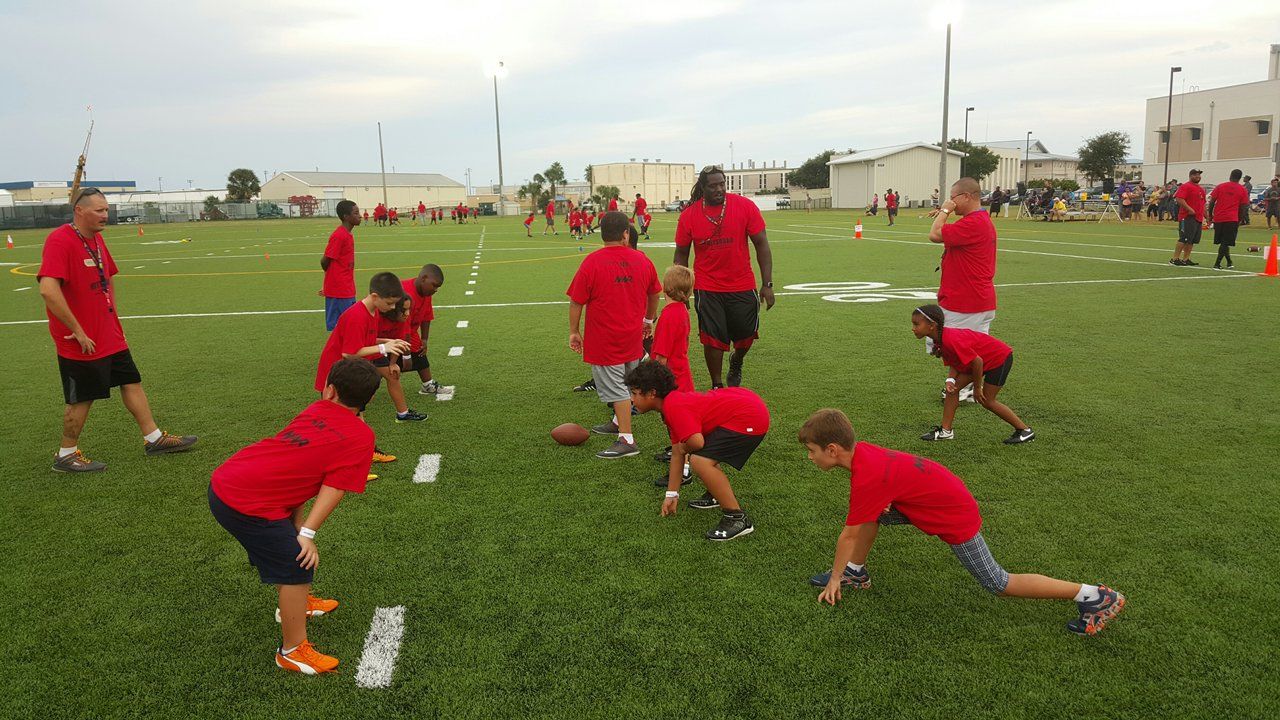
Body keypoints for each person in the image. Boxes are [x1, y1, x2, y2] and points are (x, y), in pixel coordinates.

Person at [798, 408, 1125, 636]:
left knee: (998, 582)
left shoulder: (866, 477)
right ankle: (858, 572)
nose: (810, 458)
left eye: (812, 451)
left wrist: (834, 579)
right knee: (873, 515)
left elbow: (848, 536)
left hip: (952, 513)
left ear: (832, 449)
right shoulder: (863, 454)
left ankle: (1094, 596)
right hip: (933, 501)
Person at [209, 357, 381, 675]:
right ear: (370, 399)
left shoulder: (316, 409)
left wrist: (298, 524)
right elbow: (334, 487)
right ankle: (292, 651)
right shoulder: (361, 436)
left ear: (329, 390)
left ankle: (297, 602)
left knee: (291, 553)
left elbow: (299, 471)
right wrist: (307, 534)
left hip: (231, 479)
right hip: (244, 500)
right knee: (296, 564)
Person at [38, 188, 198, 473]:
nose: (105, 215)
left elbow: (107, 278)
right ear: (79, 211)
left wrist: (113, 320)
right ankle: (66, 453)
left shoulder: (97, 240)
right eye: (99, 210)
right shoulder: (60, 240)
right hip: (79, 339)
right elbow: (48, 290)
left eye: (106, 209)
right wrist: (78, 329)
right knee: (82, 395)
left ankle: (154, 438)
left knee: (130, 381)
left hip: (108, 333)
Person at [626, 360, 769, 542]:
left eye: (634, 393)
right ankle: (715, 495)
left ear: (652, 393)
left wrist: (686, 448)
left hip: (749, 416)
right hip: (746, 407)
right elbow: (678, 453)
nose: (631, 399)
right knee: (698, 456)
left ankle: (737, 518)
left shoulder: (673, 406)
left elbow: (695, 442)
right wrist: (671, 495)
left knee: (699, 460)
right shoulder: (671, 406)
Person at [567, 211, 661, 459]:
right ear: (625, 233)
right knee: (628, 385)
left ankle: (627, 439)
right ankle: (619, 423)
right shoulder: (642, 260)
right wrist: (648, 320)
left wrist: (574, 331)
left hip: (604, 339)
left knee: (618, 389)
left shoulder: (592, 261)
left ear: (601, 233)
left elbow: (576, 301)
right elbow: (654, 293)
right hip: (632, 336)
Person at [674, 165, 774, 389]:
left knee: (746, 335)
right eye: (713, 186)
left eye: (722, 184)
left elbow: (762, 244)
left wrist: (767, 284)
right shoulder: (689, 215)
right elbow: (681, 253)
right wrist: (680, 289)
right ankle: (717, 385)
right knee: (712, 339)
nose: (719, 189)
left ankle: (737, 360)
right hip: (707, 287)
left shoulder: (745, 206)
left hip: (742, 284)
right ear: (703, 187)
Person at [314, 272, 409, 467]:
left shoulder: (372, 311)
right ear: (375, 297)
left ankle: (365, 453)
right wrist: (384, 348)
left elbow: (364, 341)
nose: (392, 308)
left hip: (348, 372)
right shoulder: (357, 315)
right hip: (336, 374)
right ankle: (338, 465)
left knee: (356, 416)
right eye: (389, 303)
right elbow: (350, 352)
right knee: (337, 422)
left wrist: (388, 341)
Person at [912, 304, 1035, 444]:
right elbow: (957, 362)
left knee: (988, 401)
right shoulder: (939, 339)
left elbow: (977, 362)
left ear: (932, 325)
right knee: (952, 391)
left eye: (917, 324)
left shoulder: (950, 339)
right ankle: (945, 432)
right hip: (981, 361)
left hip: (998, 359)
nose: (913, 328)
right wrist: (950, 380)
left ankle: (1025, 431)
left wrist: (977, 388)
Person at [927, 177, 998, 403]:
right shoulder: (975, 221)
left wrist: (944, 212)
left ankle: (964, 388)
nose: (951, 201)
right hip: (974, 298)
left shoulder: (974, 222)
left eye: (954, 197)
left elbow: (935, 235)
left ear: (967, 197)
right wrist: (944, 213)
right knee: (971, 349)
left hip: (967, 300)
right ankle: (967, 387)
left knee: (957, 348)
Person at [649, 265, 696, 466]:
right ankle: (679, 452)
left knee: (677, 423)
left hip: (672, 379)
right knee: (672, 421)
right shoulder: (680, 310)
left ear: (666, 287)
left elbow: (661, 358)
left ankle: (683, 463)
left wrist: (652, 384)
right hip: (680, 375)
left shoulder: (669, 315)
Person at [370, 297, 428, 423]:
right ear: (392, 308)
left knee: (393, 375)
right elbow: (364, 340)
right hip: (362, 352)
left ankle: (403, 414)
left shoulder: (401, 320)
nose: (407, 314)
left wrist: (392, 363)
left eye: (408, 309)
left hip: (379, 351)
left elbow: (398, 342)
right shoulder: (375, 317)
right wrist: (386, 342)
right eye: (404, 310)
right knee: (365, 386)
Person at [401, 264, 445, 395]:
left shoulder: (426, 293)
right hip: (389, 331)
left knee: (420, 350)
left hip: (409, 331)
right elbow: (403, 328)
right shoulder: (406, 293)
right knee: (380, 363)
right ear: (424, 278)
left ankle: (428, 384)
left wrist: (424, 339)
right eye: (434, 285)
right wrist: (406, 355)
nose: (436, 289)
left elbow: (426, 316)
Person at [321, 200, 360, 332]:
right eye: (356, 213)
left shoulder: (348, 234)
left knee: (350, 325)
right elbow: (325, 261)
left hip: (347, 288)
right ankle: (337, 352)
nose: (359, 215)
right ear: (346, 217)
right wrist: (331, 283)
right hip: (339, 290)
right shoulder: (339, 236)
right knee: (339, 328)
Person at [1207, 169, 1249, 270]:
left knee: (1223, 242)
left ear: (1230, 175)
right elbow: (1243, 207)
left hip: (1219, 218)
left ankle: (1229, 262)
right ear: (1240, 178)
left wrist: (1210, 215)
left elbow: (1212, 202)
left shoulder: (1220, 186)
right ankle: (1217, 263)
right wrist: (1240, 220)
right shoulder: (1242, 189)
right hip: (1231, 218)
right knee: (1225, 242)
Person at [1170, 169, 1207, 266]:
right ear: (1190, 176)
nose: (1198, 177)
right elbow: (1179, 198)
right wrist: (1189, 209)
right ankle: (1174, 259)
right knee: (1184, 238)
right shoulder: (1186, 186)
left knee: (1192, 240)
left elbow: (1203, 204)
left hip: (1197, 218)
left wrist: (1207, 216)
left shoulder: (1201, 189)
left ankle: (1186, 259)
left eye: (1199, 175)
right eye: (1195, 175)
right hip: (1187, 217)